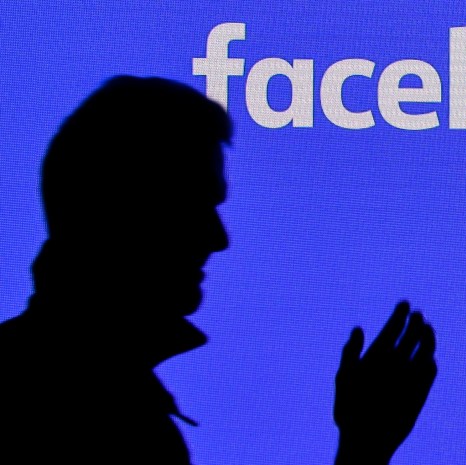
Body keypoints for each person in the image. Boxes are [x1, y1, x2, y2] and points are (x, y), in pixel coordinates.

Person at [0, 76, 437, 464]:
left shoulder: (79, 394)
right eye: (192, 205)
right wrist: (363, 449)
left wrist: (363, 446)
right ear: (116, 208)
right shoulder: (108, 420)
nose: (218, 237)